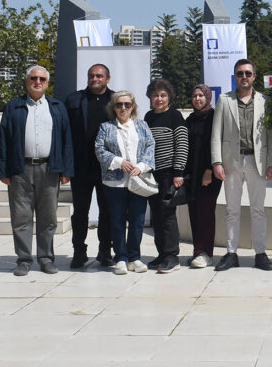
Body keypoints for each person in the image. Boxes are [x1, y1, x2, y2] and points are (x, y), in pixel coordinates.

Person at [0, 65, 75, 276]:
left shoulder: (57, 107)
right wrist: (3, 170)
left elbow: (67, 139)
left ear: (47, 83)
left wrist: (67, 169)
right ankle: (24, 260)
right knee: (21, 217)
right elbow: (3, 138)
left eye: (42, 79)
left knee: (48, 217)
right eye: (33, 78)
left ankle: (46, 259)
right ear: (26, 81)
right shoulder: (14, 106)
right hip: (20, 169)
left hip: (49, 168)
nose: (37, 82)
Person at [211, 59, 272, 271]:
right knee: (232, 210)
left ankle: (260, 253)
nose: (244, 77)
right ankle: (231, 253)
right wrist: (217, 162)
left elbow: (271, 136)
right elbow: (216, 134)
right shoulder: (224, 100)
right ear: (235, 77)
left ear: (254, 76)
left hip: (257, 162)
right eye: (240, 73)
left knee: (258, 210)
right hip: (232, 162)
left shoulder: (265, 101)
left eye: (248, 73)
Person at [95, 90, 156, 275]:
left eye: (127, 104)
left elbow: (150, 146)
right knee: (117, 221)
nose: (123, 108)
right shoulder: (106, 127)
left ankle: (134, 257)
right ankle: (121, 258)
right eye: (119, 104)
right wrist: (119, 162)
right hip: (115, 183)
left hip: (138, 180)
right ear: (113, 107)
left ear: (133, 107)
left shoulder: (142, 125)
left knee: (137, 221)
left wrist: (142, 166)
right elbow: (99, 149)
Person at [64, 64, 115, 268]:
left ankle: (105, 251)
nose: (95, 79)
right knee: (80, 212)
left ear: (107, 79)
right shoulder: (74, 100)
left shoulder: (116, 100)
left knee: (107, 212)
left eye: (99, 76)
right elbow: (65, 133)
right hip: (81, 167)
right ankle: (79, 251)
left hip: (107, 168)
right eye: (92, 75)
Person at [144, 79, 189, 273]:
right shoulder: (148, 117)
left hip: (169, 174)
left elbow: (182, 145)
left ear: (169, 97)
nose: (159, 99)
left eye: (163, 95)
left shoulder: (175, 116)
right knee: (156, 215)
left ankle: (172, 256)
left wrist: (178, 173)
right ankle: (162, 254)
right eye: (155, 95)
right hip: (151, 174)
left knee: (167, 214)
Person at [185, 84, 221, 268]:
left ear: (208, 97)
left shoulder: (214, 117)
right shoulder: (190, 119)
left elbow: (215, 145)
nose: (197, 99)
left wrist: (208, 171)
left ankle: (206, 252)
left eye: (201, 95)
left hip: (208, 174)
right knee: (194, 212)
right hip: (192, 174)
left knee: (205, 213)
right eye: (194, 96)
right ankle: (197, 251)